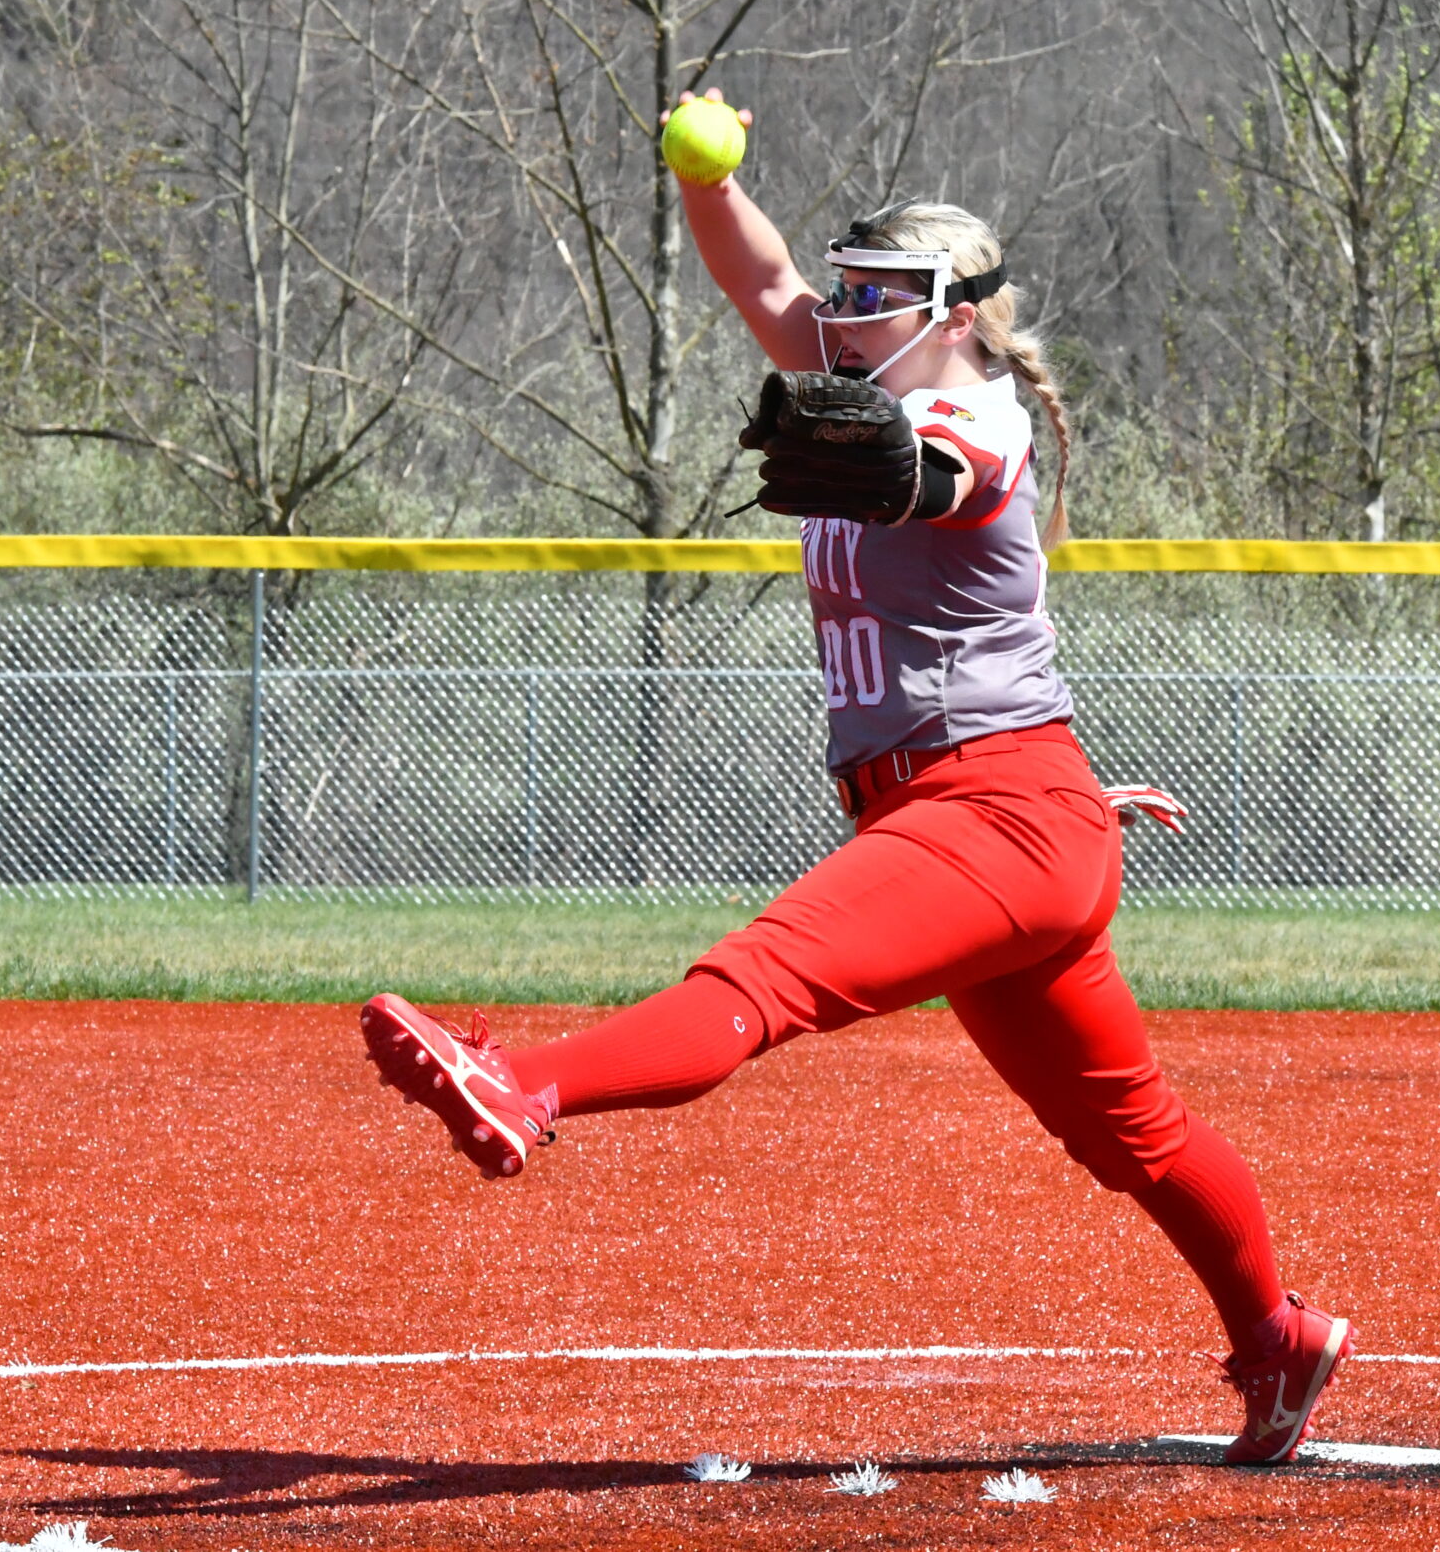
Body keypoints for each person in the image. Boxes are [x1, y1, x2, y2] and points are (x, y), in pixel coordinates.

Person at [356, 90, 1351, 1462]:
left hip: (993, 810)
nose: (848, 307)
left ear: (952, 310)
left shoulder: (973, 415)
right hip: (1009, 809)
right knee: (1133, 1132)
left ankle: (521, 1085)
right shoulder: (866, 368)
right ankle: (1283, 1339)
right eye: (853, 284)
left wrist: (895, 473)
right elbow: (760, 277)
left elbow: (937, 474)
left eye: (881, 293)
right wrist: (704, 175)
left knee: (759, 983)